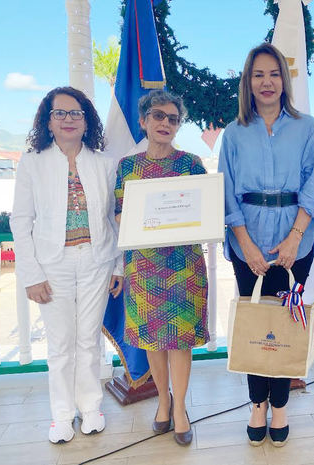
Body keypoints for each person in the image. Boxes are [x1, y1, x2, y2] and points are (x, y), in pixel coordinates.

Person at [218, 43, 314, 447]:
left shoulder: (306, 127)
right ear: (248, 82)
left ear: (285, 80)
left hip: (296, 240)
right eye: (258, 74)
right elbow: (226, 191)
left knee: (284, 324)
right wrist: (245, 244)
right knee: (254, 324)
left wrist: (294, 238)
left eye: (274, 74)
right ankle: (255, 404)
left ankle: (279, 405)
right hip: (247, 240)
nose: (267, 82)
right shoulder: (233, 132)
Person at [10, 86, 123, 444]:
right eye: (60, 113)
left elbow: (115, 219)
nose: (69, 119)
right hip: (52, 265)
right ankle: (61, 414)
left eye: (76, 113)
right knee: (60, 344)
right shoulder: (33, 162)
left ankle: (91, 408)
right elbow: (21, 220)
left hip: (97, 261)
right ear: (48, 120)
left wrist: (118, 266)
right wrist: (31, 274)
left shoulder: (105, 164)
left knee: (89, 340)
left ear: (87, 120)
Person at [114, 90, 209, 446]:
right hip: (143, 267)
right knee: (154, 341)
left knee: (181, 342)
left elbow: (204, 212)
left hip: (184, 266)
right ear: (143, 121)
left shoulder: (191, 164)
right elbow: (119, 213)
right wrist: (141, 220)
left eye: (173, 118)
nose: (165, 123)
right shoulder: (127, 167)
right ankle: (163, 402)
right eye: (158, 116)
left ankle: (181, 407)